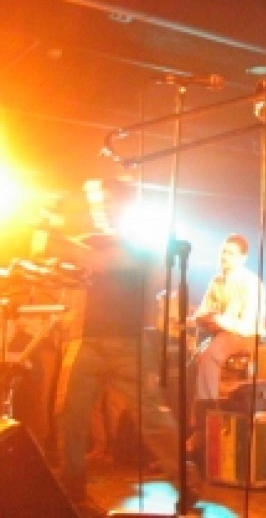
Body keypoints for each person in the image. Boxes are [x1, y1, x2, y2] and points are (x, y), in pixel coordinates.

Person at [48, 177, 200, 515]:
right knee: (70, 416)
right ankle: (72, 488)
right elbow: (71, 261)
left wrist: (55, 238)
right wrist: (53, 239)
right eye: (97, 202)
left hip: (129, 345)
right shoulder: (95, 239)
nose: (100, 207)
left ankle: (186, 482)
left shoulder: (141, 240)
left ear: (125, 204)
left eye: (106, 200)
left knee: (152, 419)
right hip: (87, 341)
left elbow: (104, 262)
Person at [188, 233, 266, 449]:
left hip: (245, 335)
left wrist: (219, 321)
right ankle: (197, 426)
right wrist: (202, 319)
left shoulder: (251, 283)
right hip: (222, 333)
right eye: (223, 252)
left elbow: (249, 323)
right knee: (192, 360)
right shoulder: (216, 281)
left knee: (210, 356)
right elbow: (204, 310)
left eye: (230, 253)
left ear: (243, 257)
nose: (224, 257)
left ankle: (208, 417)